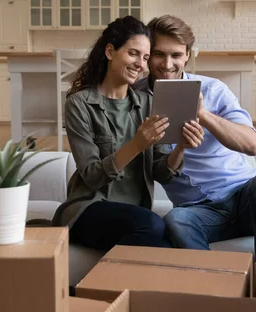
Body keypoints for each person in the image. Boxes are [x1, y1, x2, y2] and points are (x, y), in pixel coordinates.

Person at [133, 14, 256, 263]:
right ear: (147, 55)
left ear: (188, 55)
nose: (167, 64)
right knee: (175, 221)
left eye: (176, 55)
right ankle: (219, 285)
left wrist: (202, 114)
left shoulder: (213, 89)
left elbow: (252, 145)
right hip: (198, 211)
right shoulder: (133, 99)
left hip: (245, 197)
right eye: (158, 54)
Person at [51, 16, 204, 252]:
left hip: (135, 213)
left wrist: (181, 147)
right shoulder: (79, 104)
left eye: (144, 57)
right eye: (133, 54)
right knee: (151, 225)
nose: (140, 65)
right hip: (88, 208)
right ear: (110, 51)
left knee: (170, 244)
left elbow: (161, 173)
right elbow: (92, 176)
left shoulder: (148, 103)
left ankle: (85, 288)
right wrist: (137, 145)